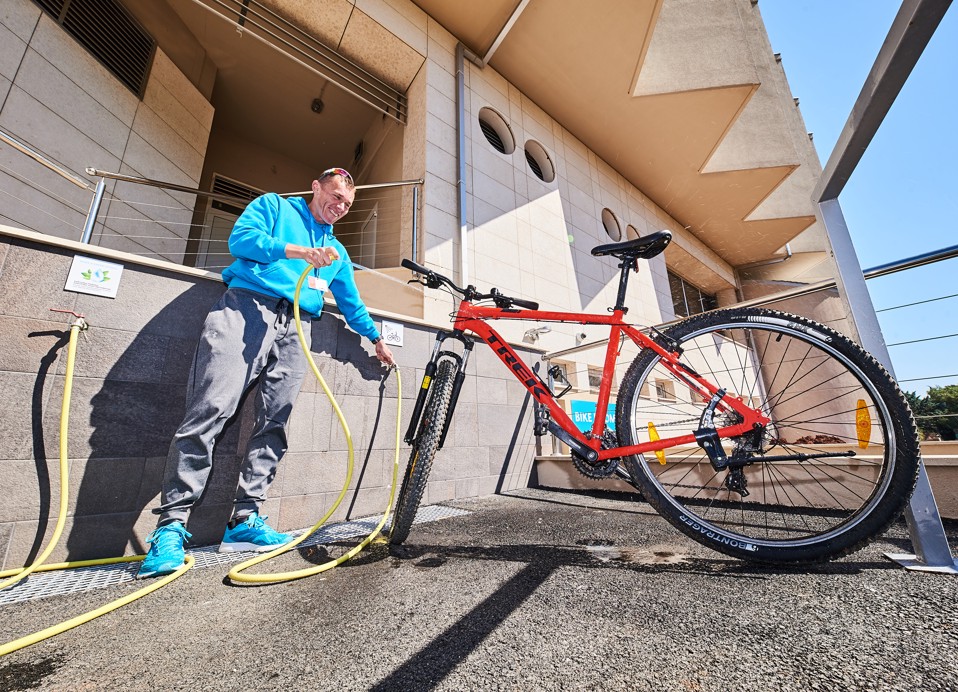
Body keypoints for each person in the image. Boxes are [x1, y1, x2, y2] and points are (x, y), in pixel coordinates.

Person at [137, 168, 394, 578]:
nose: (339, 207)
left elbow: (350, 302)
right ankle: (171, 527)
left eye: (346, 203)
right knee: (211, 408)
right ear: (316, 187)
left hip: (297, 326)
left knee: (274, 422)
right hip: (246, 307)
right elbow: (240, 241)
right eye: (333, 196)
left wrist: (375, 338)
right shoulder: (274, 206)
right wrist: (298, 252)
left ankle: (244, 520)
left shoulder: (338, 253)